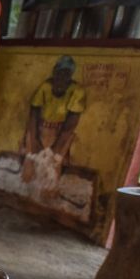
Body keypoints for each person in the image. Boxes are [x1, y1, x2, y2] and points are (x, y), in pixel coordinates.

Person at [21, 54, 84, 183]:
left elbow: (71, 124)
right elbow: (34, 114)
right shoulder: (46, 87)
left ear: (70, 76)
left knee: (53, 164)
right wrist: (34, 140)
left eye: (66, 74)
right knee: (30, 161)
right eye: (59, 73)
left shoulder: (77, 91)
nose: (61, 78)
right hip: (40, 129)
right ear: (54, 73)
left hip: (61, 132)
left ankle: (49, 192)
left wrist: (55, 150)